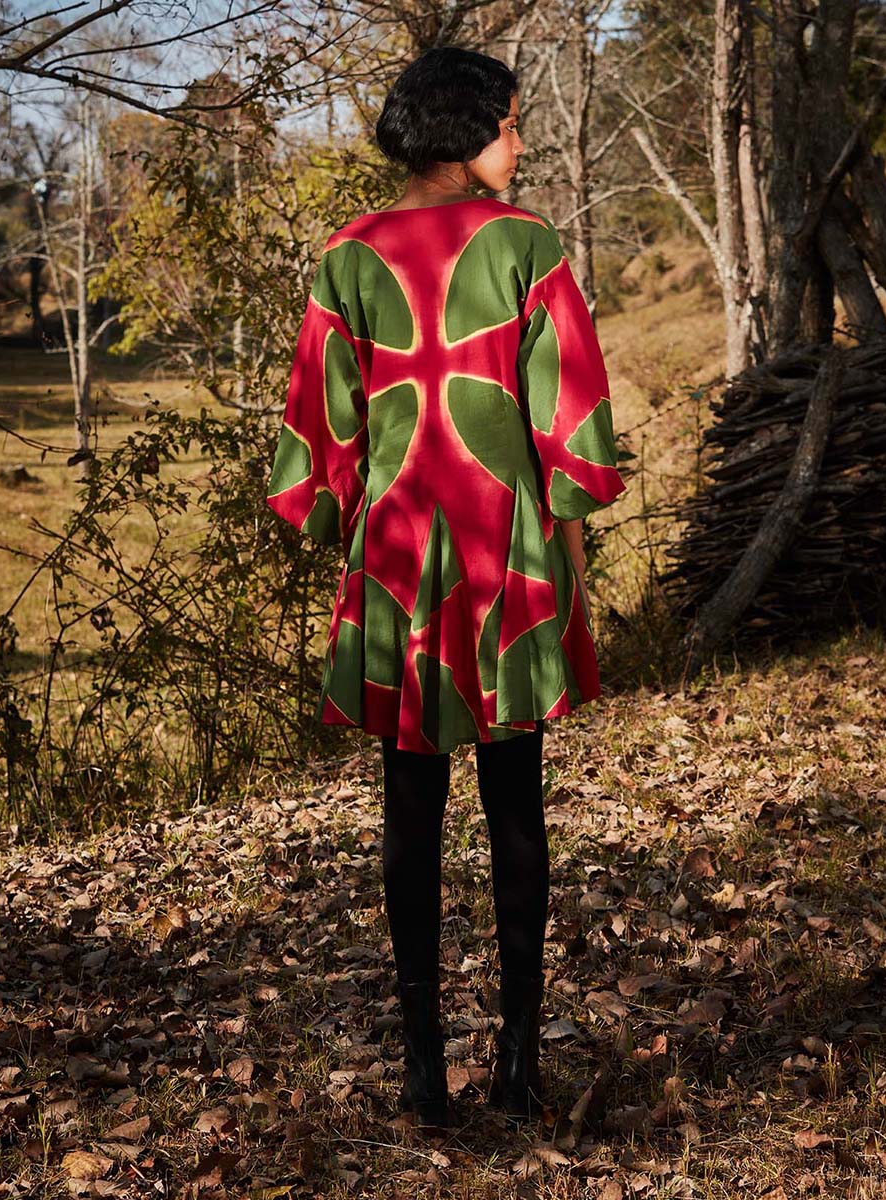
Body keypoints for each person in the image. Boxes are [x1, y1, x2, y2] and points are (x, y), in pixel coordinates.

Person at [266, 45, 626, 1130]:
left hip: (395, 561)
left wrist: (341, 510)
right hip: (504, 552)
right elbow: (574, 423)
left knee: (409, 809)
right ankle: (517, 1066)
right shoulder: (527, 246)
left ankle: (425, 1073)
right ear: (469, 132)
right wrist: (569, 526)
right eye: (514, 126)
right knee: (517, 803)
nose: (519, 146)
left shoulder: (345, 258)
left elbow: (318, 439)